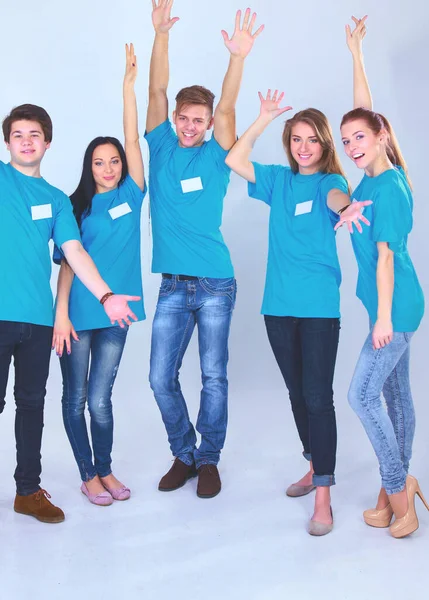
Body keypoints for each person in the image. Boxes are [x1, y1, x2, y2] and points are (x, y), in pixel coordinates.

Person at [225, 88, 370, 534]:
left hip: (319, 310)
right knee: (295, 394)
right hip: (278, 309)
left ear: (326, 145)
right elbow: (234, 159)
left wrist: (347, 210)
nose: (304, 148)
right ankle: (313, 465)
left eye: (311, 140)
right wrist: (265, 117)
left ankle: (323, 496)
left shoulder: (331, 183)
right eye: (296, 140)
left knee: (317, 397)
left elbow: (337, 200)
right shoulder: (277, 180)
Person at [0, 102, 140, 523]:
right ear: (8, 142)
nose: (27, 142)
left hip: (39, 321)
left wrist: (105, 296)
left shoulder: (58, 200)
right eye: (18, 135)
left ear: (47, 142)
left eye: (34, 135)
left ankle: (28, 491)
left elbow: (73, 254)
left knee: (31, 406)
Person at [145, 0, 263, 499]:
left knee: (213, 376)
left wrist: (237, 58)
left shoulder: (218, 152)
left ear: (209, 121)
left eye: (199, 120)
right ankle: (184, 452)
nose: (191, 126)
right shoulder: (162, 145)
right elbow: (154, 88)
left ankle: (209, 459)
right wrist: (161, 35)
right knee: (158, 378)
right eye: (184, 119)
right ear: (175, 118)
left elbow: (232, 107)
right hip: (173, 285)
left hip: (216, 282)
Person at [339, 16, 427, 538]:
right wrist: (356, 54)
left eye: (359, 138)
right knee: (396, 399)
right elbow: (365, 112)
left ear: (381, 138)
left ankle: (400, 492)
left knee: (361, 396)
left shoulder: (388, 187)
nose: (351, 145)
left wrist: (385, 319)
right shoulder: (368, 176)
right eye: (346, 139)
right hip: (388, 305)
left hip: (398, 307)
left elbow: (388, 258)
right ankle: (391, 493)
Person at [52, 44, 146, 506]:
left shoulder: (133, 191)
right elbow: (69, 264)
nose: (108, 168)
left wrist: (128, 87)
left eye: (113, 162)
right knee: (74, 400)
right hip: (79, 315)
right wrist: (61, 315)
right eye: (98, 162)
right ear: (88, 168)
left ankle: (106, 470)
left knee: (100, 401)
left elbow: (133, 139)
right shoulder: (75, 206)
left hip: (116, 313)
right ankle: (87, 475)